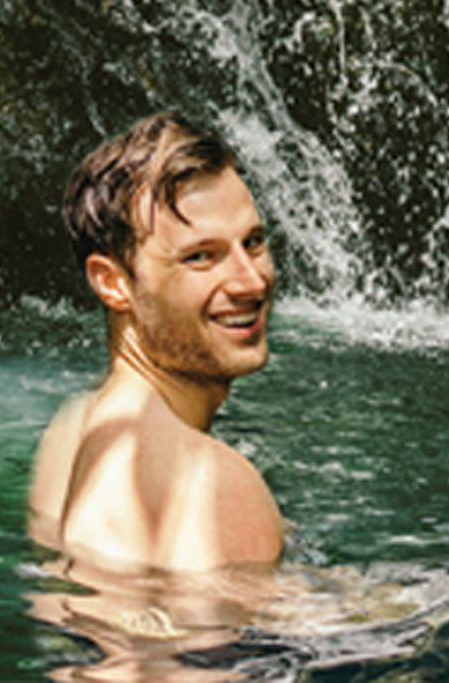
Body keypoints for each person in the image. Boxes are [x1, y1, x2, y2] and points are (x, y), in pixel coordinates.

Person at [30, 112, 284, 576]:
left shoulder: (71, 430)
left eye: (253, 242)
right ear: (112, 283)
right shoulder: (209, 483)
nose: (251, 281)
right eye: (201, 257)